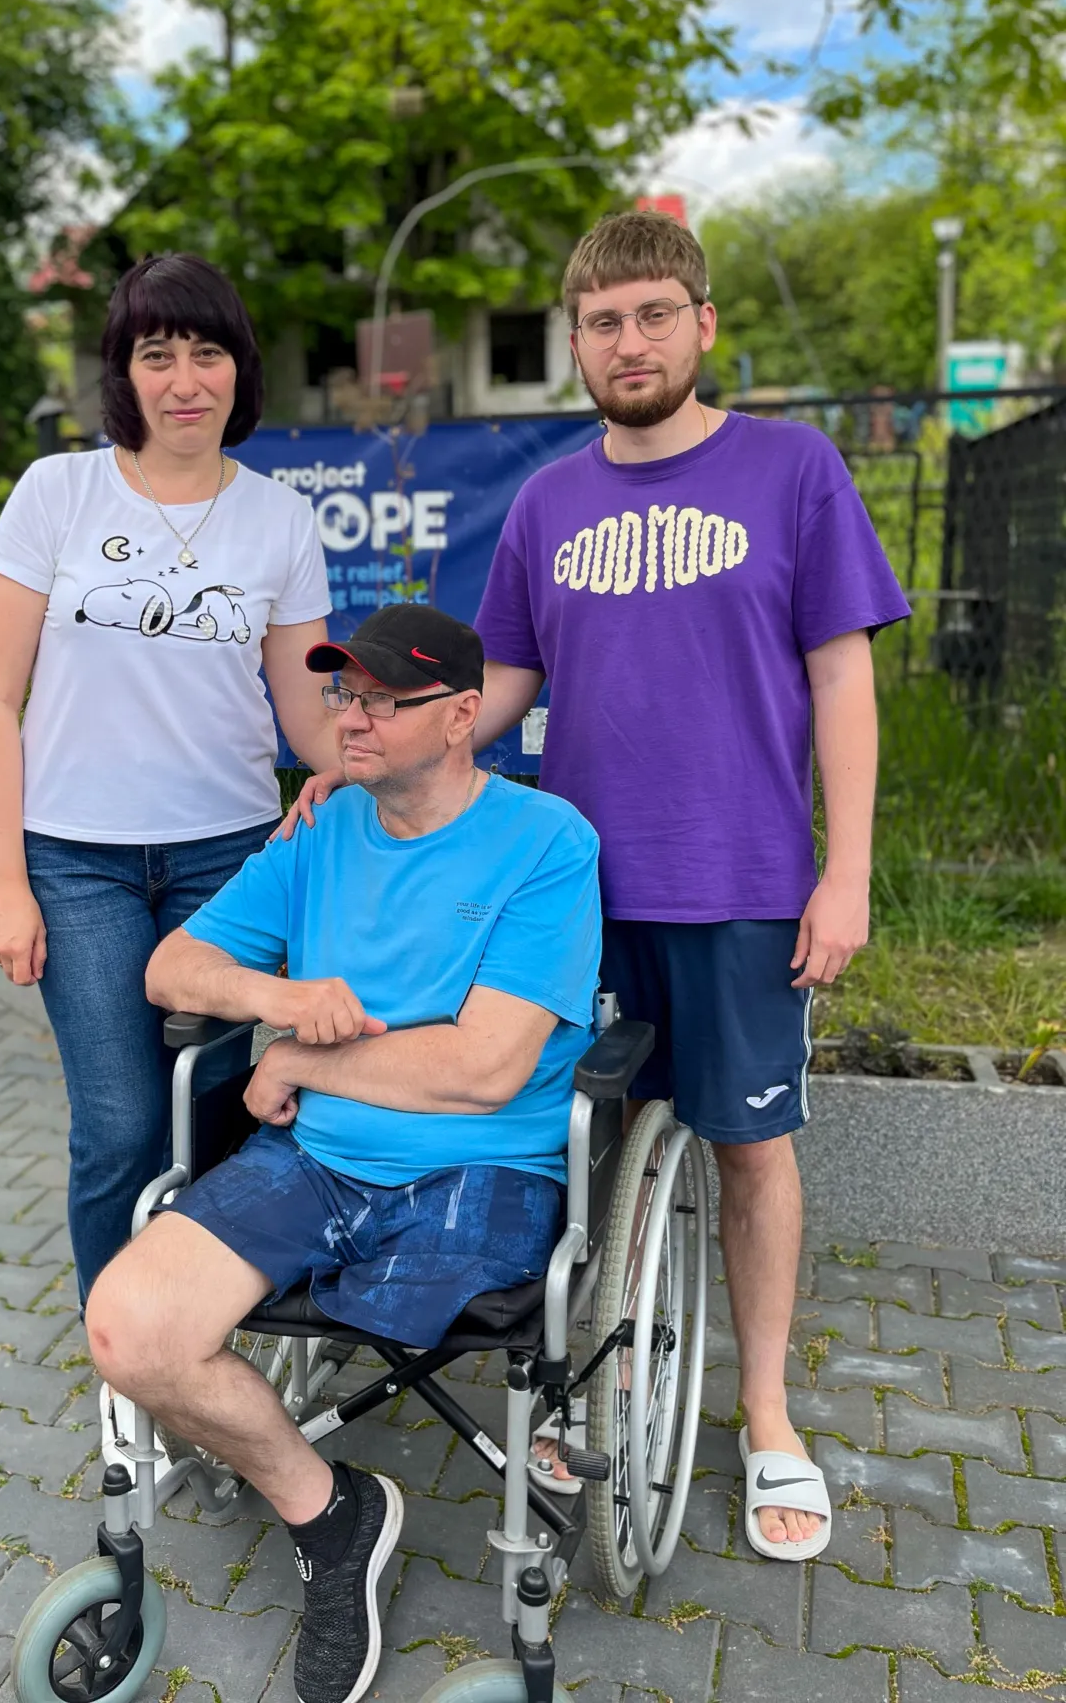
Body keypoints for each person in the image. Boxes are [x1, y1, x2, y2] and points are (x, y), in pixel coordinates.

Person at [285, 211, 910, 1562]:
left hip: (742, 883)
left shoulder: (793, 471)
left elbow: (843, 681)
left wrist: (846, 871)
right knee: (587, 1145)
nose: (629, 341)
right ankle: (598, 1383)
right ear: (576, 342)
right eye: (603, 321)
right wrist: (381, 756)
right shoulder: (549, 504)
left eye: (652, 314)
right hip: (573, 893)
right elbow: (501, 688)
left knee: (749, 1145)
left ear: (702, 325)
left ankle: (766, 1412)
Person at [89, 604, 601, 1703]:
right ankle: (333, 1514)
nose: (351, 718)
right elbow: (171, 970)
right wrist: (282, 1005)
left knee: (389, 1310)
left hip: (482, 1170)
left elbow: (485, 1068)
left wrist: (302, 1062)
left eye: (382, 699)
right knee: (129, 1328)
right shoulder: (318, 831)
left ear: (463, 717)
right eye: (342, 695)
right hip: (312, 1163)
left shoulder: (547, 842)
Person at [0, 252, 339, 1327]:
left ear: (239, 370)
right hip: (74, 866)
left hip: (226, 862)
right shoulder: (58, 493)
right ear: (123, 373)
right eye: (156, 354)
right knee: (122, 1125)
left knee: (217, 1119)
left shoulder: (280, 520)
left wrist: (370, 762)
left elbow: (305, 714)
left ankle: (202, 1341)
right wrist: (5, 884)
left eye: (206, 352)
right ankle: (123, 1356)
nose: (184, 379)